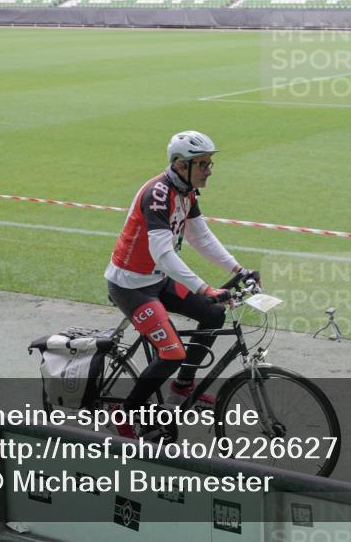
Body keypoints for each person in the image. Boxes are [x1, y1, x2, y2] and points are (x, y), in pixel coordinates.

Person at [104, 130, 258, 438]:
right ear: (179, 165)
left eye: (209, 163)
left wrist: (238, 269)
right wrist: (204, 287)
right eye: (202, 164)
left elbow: (200, 237)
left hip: (157, 281)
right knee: (172, 352)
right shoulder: (158, 194)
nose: (209, 170)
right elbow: (162, 254)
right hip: (131, 286)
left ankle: (182, 388)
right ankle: (127, 412)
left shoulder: (186, 192)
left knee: (213, 315)